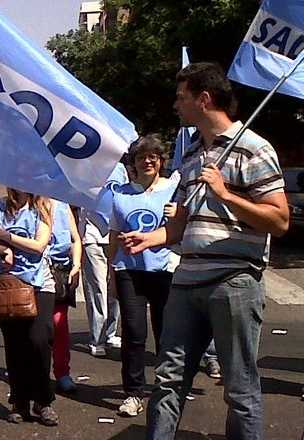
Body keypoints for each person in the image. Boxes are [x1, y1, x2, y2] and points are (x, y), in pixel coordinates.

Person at [122, 62, 289, 440]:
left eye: (181, 97)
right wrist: (152, 238)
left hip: (233, 280)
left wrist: (226, 194)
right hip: (186, 279)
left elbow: (279, 221)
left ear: (204, 99)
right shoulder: (193, 151)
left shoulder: (253, 147)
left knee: (239, 388)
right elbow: (181, 223)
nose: (175, 105)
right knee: (168, 379)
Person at [0, 188, 59, 426]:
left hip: (40, 283)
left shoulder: (43, 206)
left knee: (40, 340)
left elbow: (39, 245)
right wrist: (2, 249)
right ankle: (19, 401)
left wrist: (7, 237)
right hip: (8, 285)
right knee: (15, 345)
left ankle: (43, 400)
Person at [106, 135, 180, 418]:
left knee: (166, 334)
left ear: (161, 161)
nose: (147, 161)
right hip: (129, 272)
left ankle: (166, 389)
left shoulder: (173, 190)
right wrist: (112, 270)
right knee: (134, 334)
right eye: (140, 157)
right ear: (133, 163)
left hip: (164, 270)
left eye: (152, 157)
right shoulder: (121, 194)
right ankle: (133, 393)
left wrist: (179, 213)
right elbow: (114, 235)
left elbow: (186, 223)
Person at [79, 164, 128, 357]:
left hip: (115, 234)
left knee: (115, 286)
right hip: (92, 235)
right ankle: (97, 337)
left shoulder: (120, 168)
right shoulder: (84, 165)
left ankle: (110, 332)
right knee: (97, 288)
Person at [47, 199, 82, 394]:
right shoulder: (27, 202)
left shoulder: (61, 204)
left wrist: (76, 266)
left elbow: (75, 239)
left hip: (60, 271)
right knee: (36, 328)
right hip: (34, 270)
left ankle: (62, 372)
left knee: (59, 324)